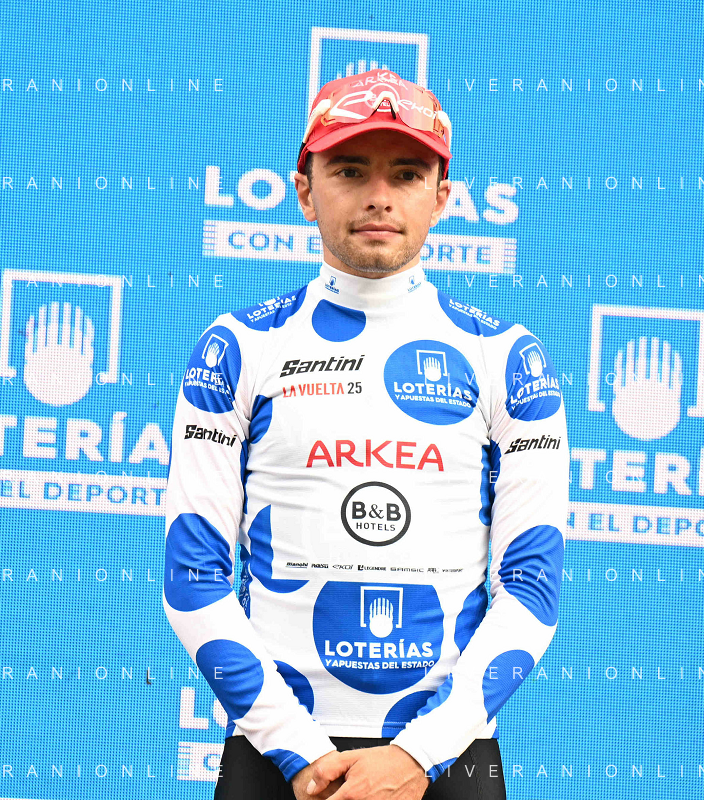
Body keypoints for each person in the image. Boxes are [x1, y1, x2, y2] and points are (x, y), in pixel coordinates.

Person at [163, 69, 568, 800]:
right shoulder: (239, 347)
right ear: (304, 190)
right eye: (350, 170)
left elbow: (531, 588)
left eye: (405, 174)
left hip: (448, 758)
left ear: (441, 197)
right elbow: (191, 577)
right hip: (275, 756)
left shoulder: (507, 358)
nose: (379, 196)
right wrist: (297, 750)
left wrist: (419, 753)